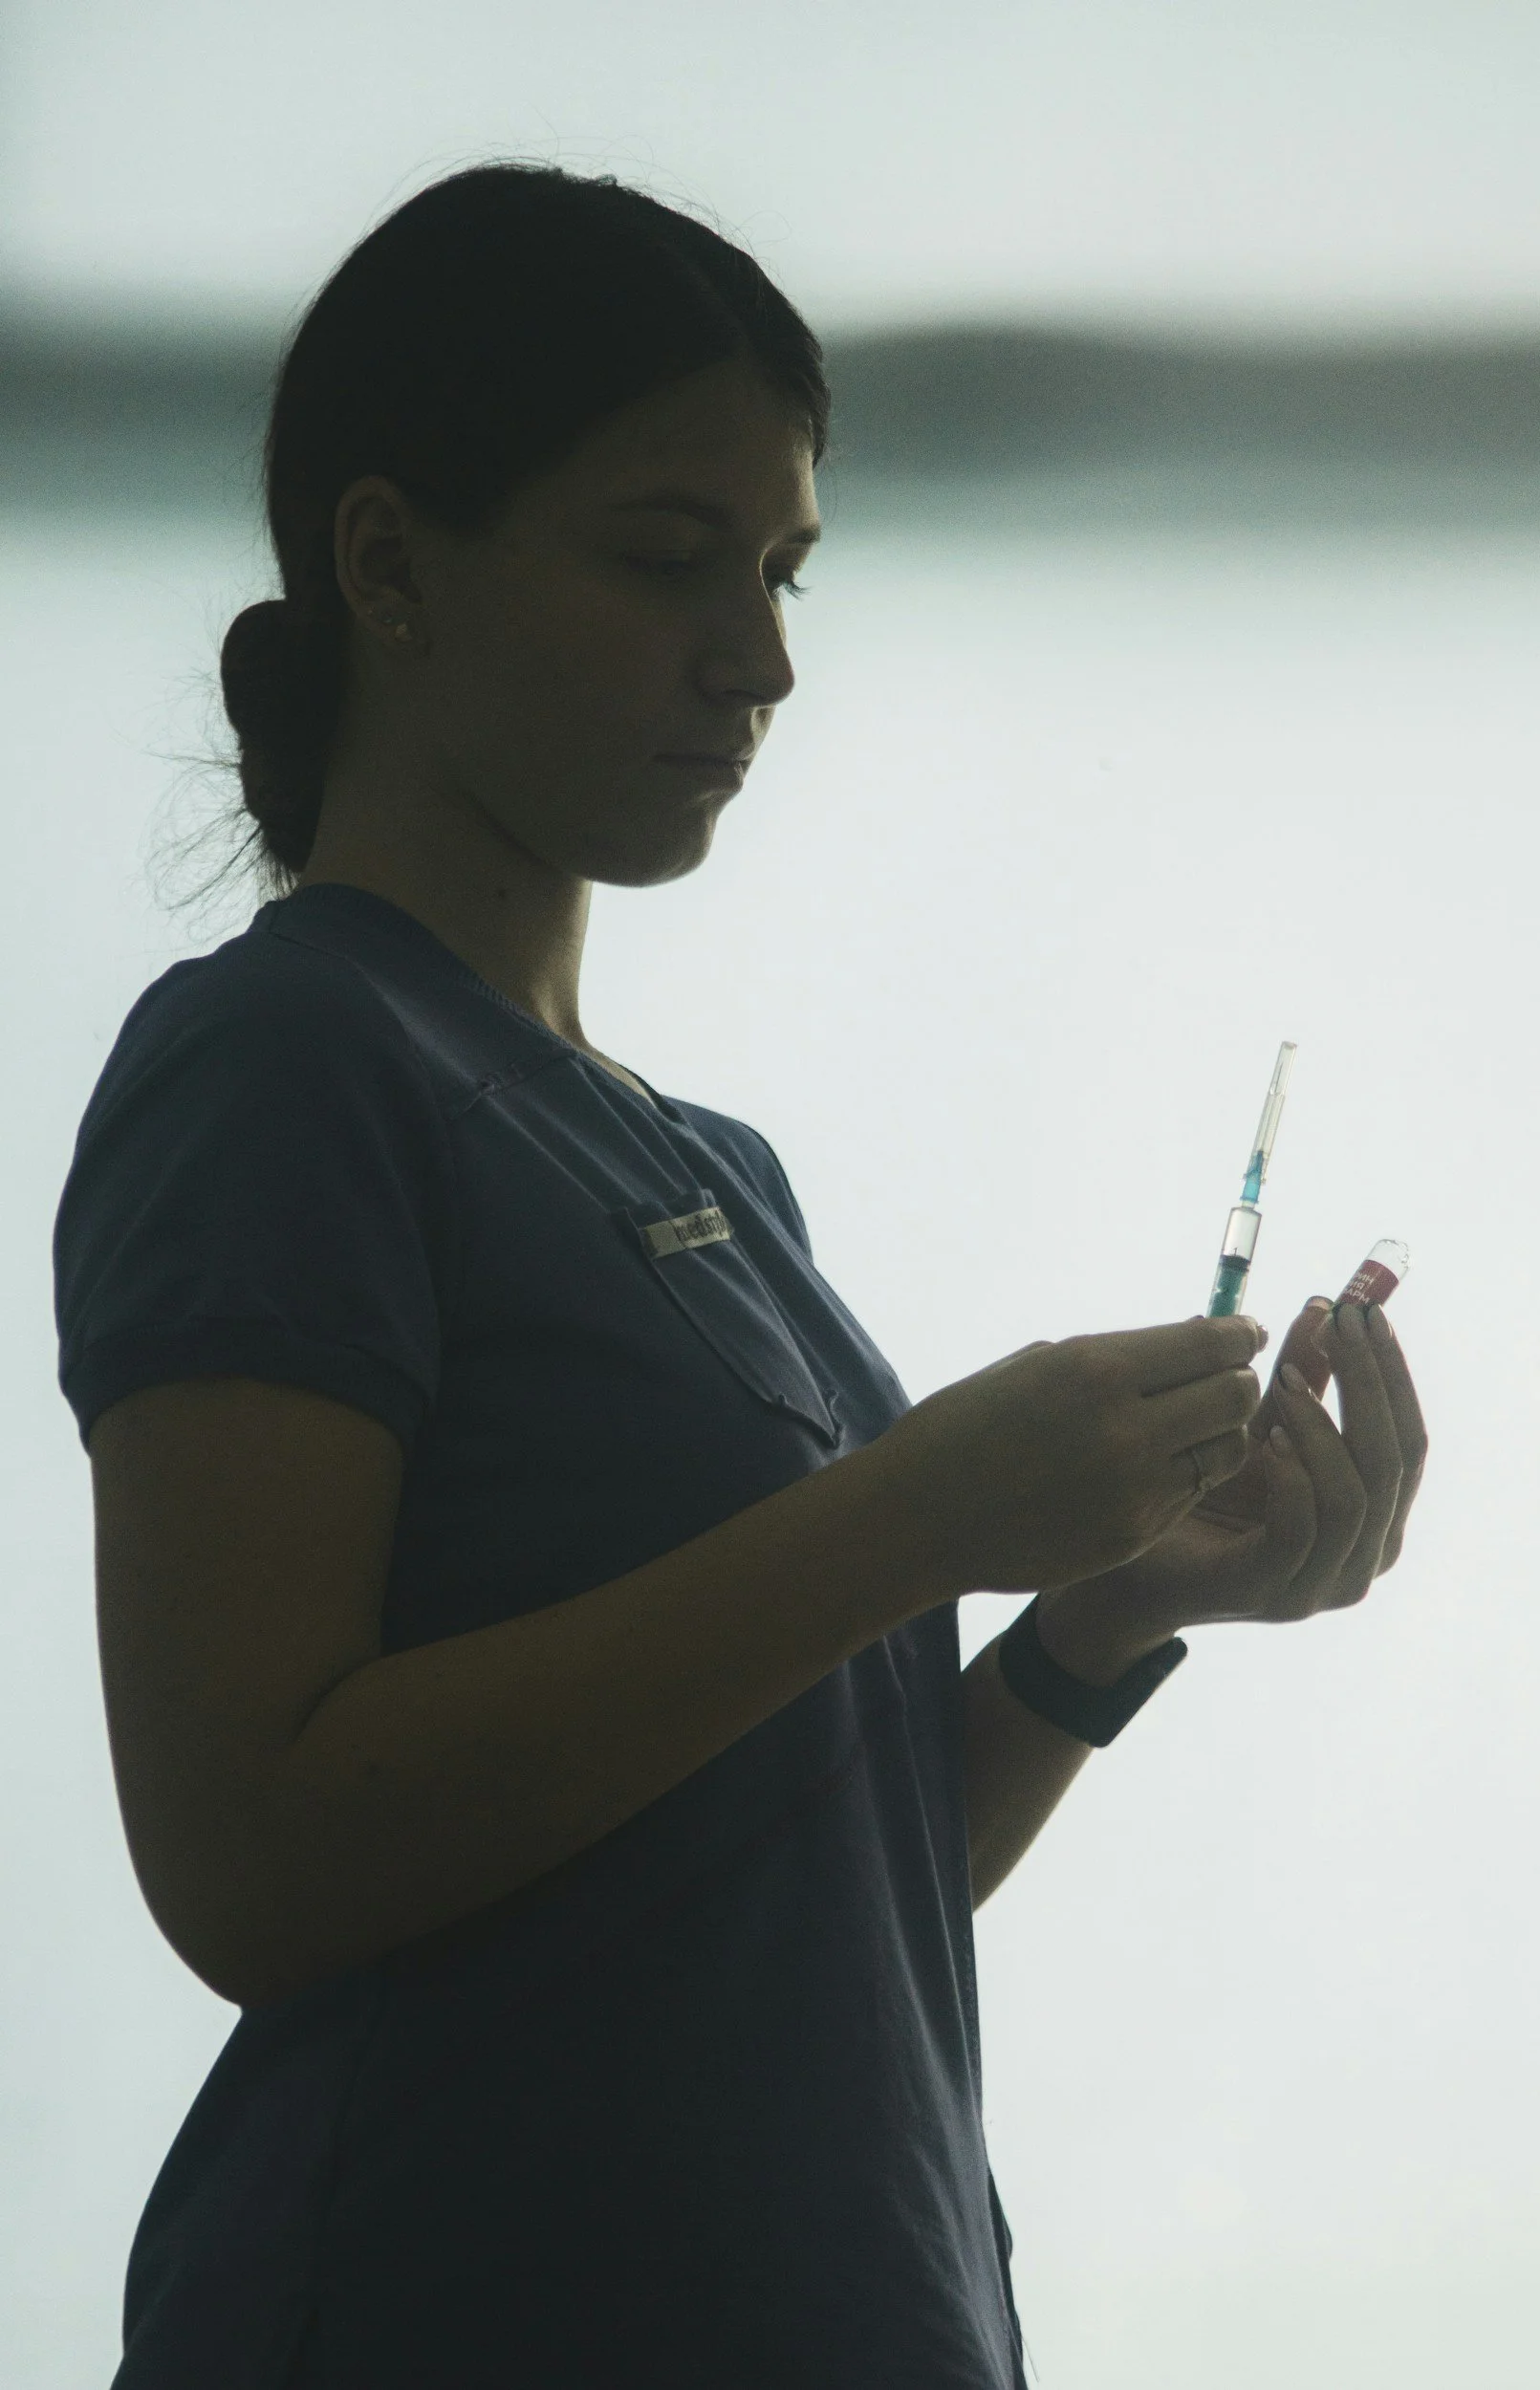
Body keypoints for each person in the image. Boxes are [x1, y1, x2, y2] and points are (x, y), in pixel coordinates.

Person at [54, 164, 1427, 2390]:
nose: (763, 658)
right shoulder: (285, 1057)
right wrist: (913, 1513)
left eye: (783, 572)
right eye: (663, 558)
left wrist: (1096, 1619)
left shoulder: (718, 1179)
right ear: (388, 563)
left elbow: (784, 1883)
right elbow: (253, 1851)